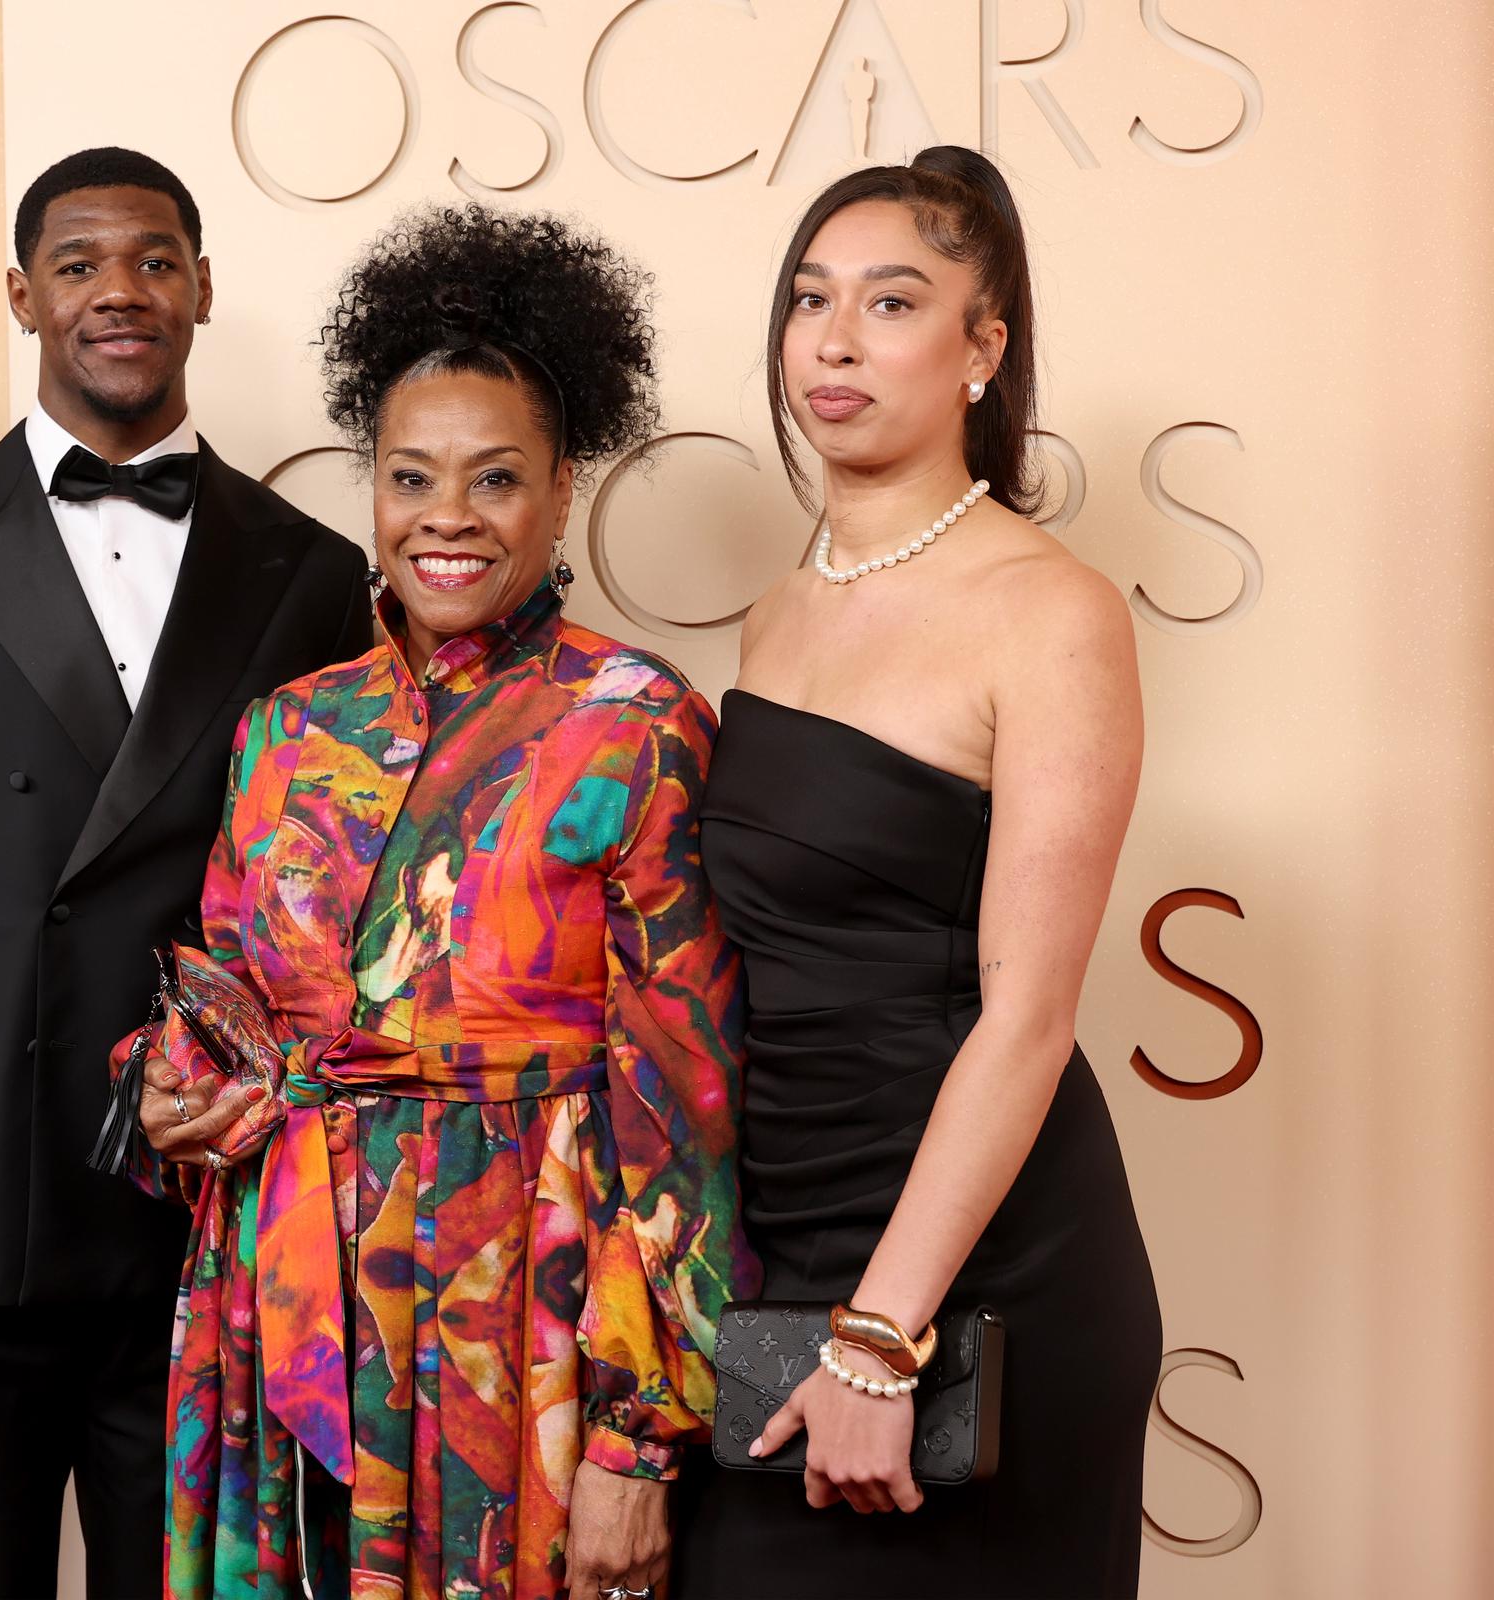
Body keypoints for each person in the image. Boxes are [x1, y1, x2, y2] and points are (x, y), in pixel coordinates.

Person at [128, 204, 752, 1600]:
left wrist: (641, 1438)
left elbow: (683, 1108)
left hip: (515, 1320)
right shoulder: (288, 729)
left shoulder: (636, 721)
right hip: (276, 1292)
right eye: (411, 479)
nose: (447, 521)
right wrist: (171, 1088)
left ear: (564, 487)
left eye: (495, 480)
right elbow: (222, 994)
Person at [0, 146, 373, 1598]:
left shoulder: (307, 568)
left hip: (207, 1210)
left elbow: (335, 902)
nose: (123, 291)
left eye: (158, 260)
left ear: (204, 289)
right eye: (83, 264)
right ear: (23, 294)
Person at [677, 147, 1162, 1596]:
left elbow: (1028, 1015)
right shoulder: (777, 613)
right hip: (783, 1240)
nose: (834, 340)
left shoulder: (1050, 613)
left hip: (978, 1271)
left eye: (893, 303)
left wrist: (882, 1339)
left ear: (982, 348)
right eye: (810, 300)